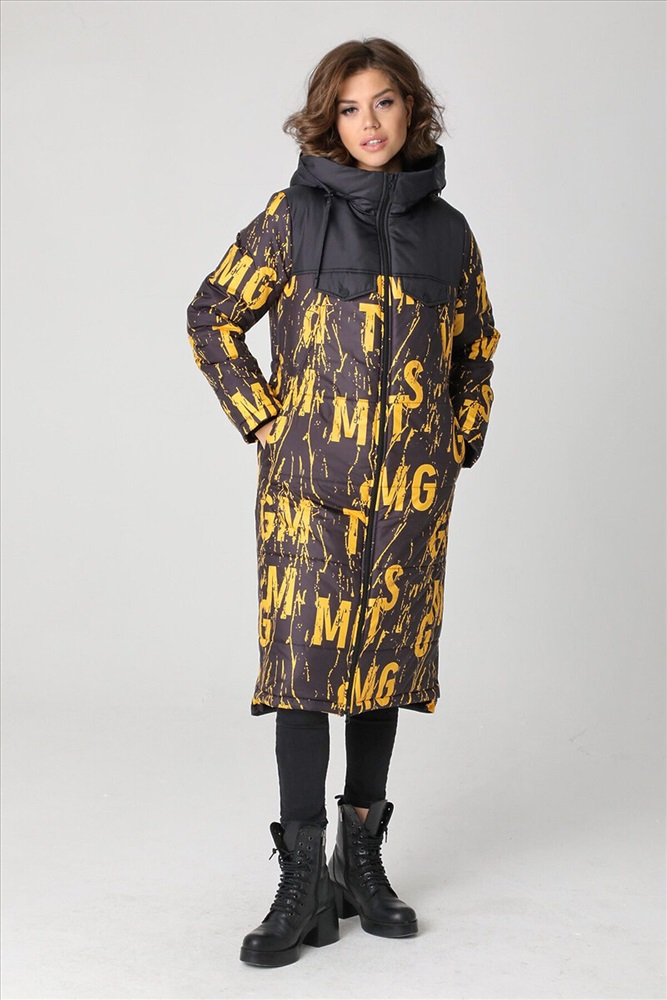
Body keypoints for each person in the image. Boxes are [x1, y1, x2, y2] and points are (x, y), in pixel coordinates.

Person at [186, 37, 501, 968]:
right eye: (351, 107)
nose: (369, 123)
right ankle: (303, 880)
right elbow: (212, 316)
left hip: (409, 498)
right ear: (328, 118)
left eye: (386, 102)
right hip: (307, 496)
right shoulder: (292, 218)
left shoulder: (450, 234)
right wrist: (266, 421)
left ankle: (360, 864)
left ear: (412, 112)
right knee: (303, 673)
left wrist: (454, 441)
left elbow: (477, 347)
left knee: (385, 668)